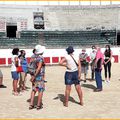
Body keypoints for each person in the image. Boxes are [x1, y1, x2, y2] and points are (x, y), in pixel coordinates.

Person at [29, 45, 46, 110]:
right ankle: (38, 105)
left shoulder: (33, 56)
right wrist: (34, 76)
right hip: (39, 75)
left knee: (33, 90)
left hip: (33, 74)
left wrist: (32, 76)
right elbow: (39, 68)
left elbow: (31, 66)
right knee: (40, 90)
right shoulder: (40, 58)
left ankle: (31, 104)